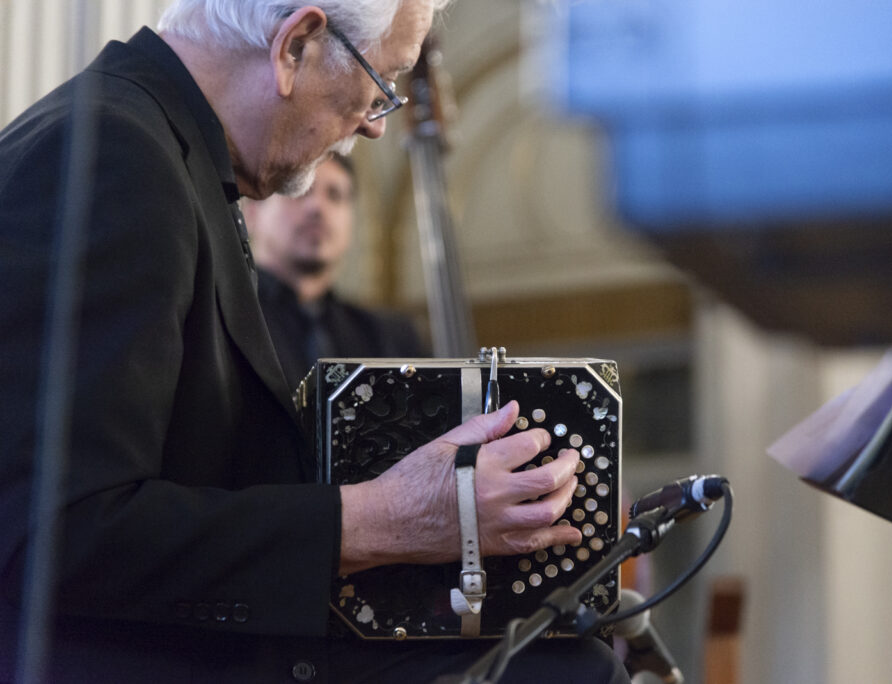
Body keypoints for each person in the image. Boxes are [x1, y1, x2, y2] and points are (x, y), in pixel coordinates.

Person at [0, 1, 629, 682]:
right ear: (296, 44)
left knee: (572, 653)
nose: (374, 124)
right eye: (380, 85)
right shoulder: (113, 157)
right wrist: (378, 519)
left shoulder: (159, 148)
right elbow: (54, 533)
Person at [244, 152, 425, 389]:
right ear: (252, 212)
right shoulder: (222, 323)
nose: (317, 207)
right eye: (299, 190)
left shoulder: (390, 338)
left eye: (335, 195)